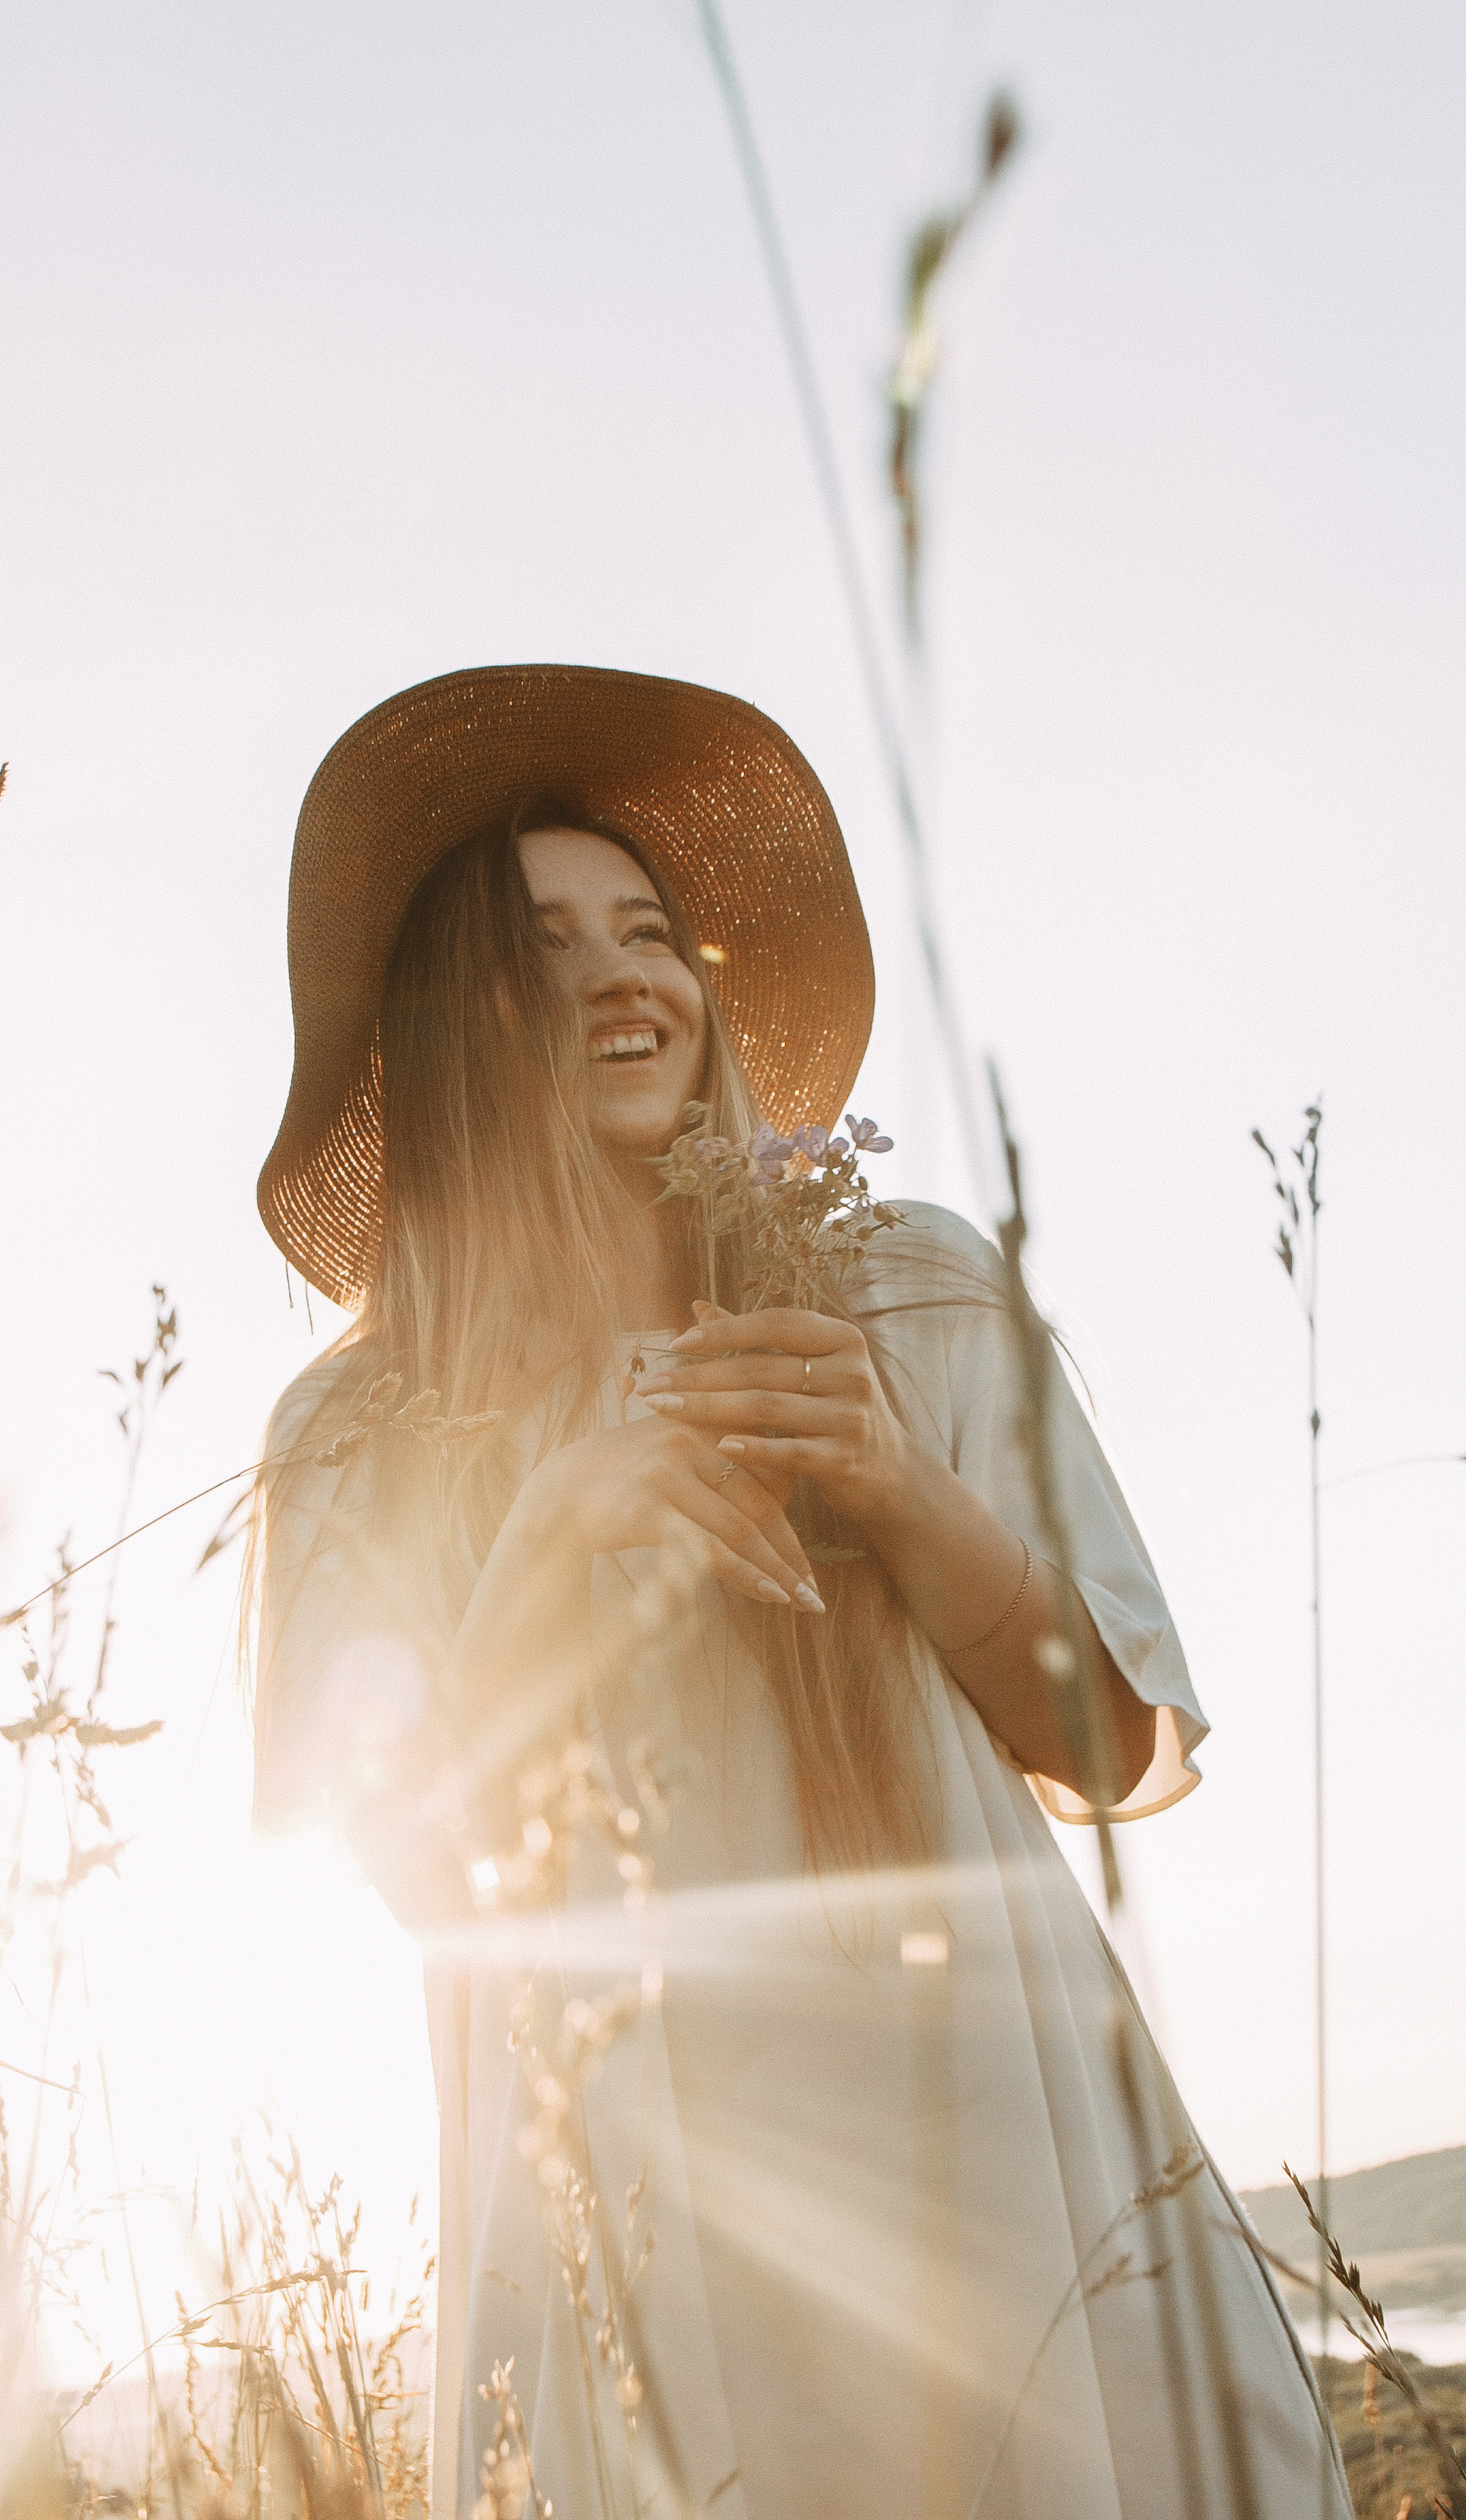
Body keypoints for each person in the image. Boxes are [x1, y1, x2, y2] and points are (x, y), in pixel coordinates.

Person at [252, 664, 1344, 2520]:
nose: (628, 977)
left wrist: (905, 1494)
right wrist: (550, 1535)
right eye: (543, 945)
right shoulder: (361, 1432)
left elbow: (1117, 1740)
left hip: (981, 2122)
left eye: (647, 931)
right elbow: (419, 1869)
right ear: (450, 1024)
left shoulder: (907, 1285)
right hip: (628, 2180)